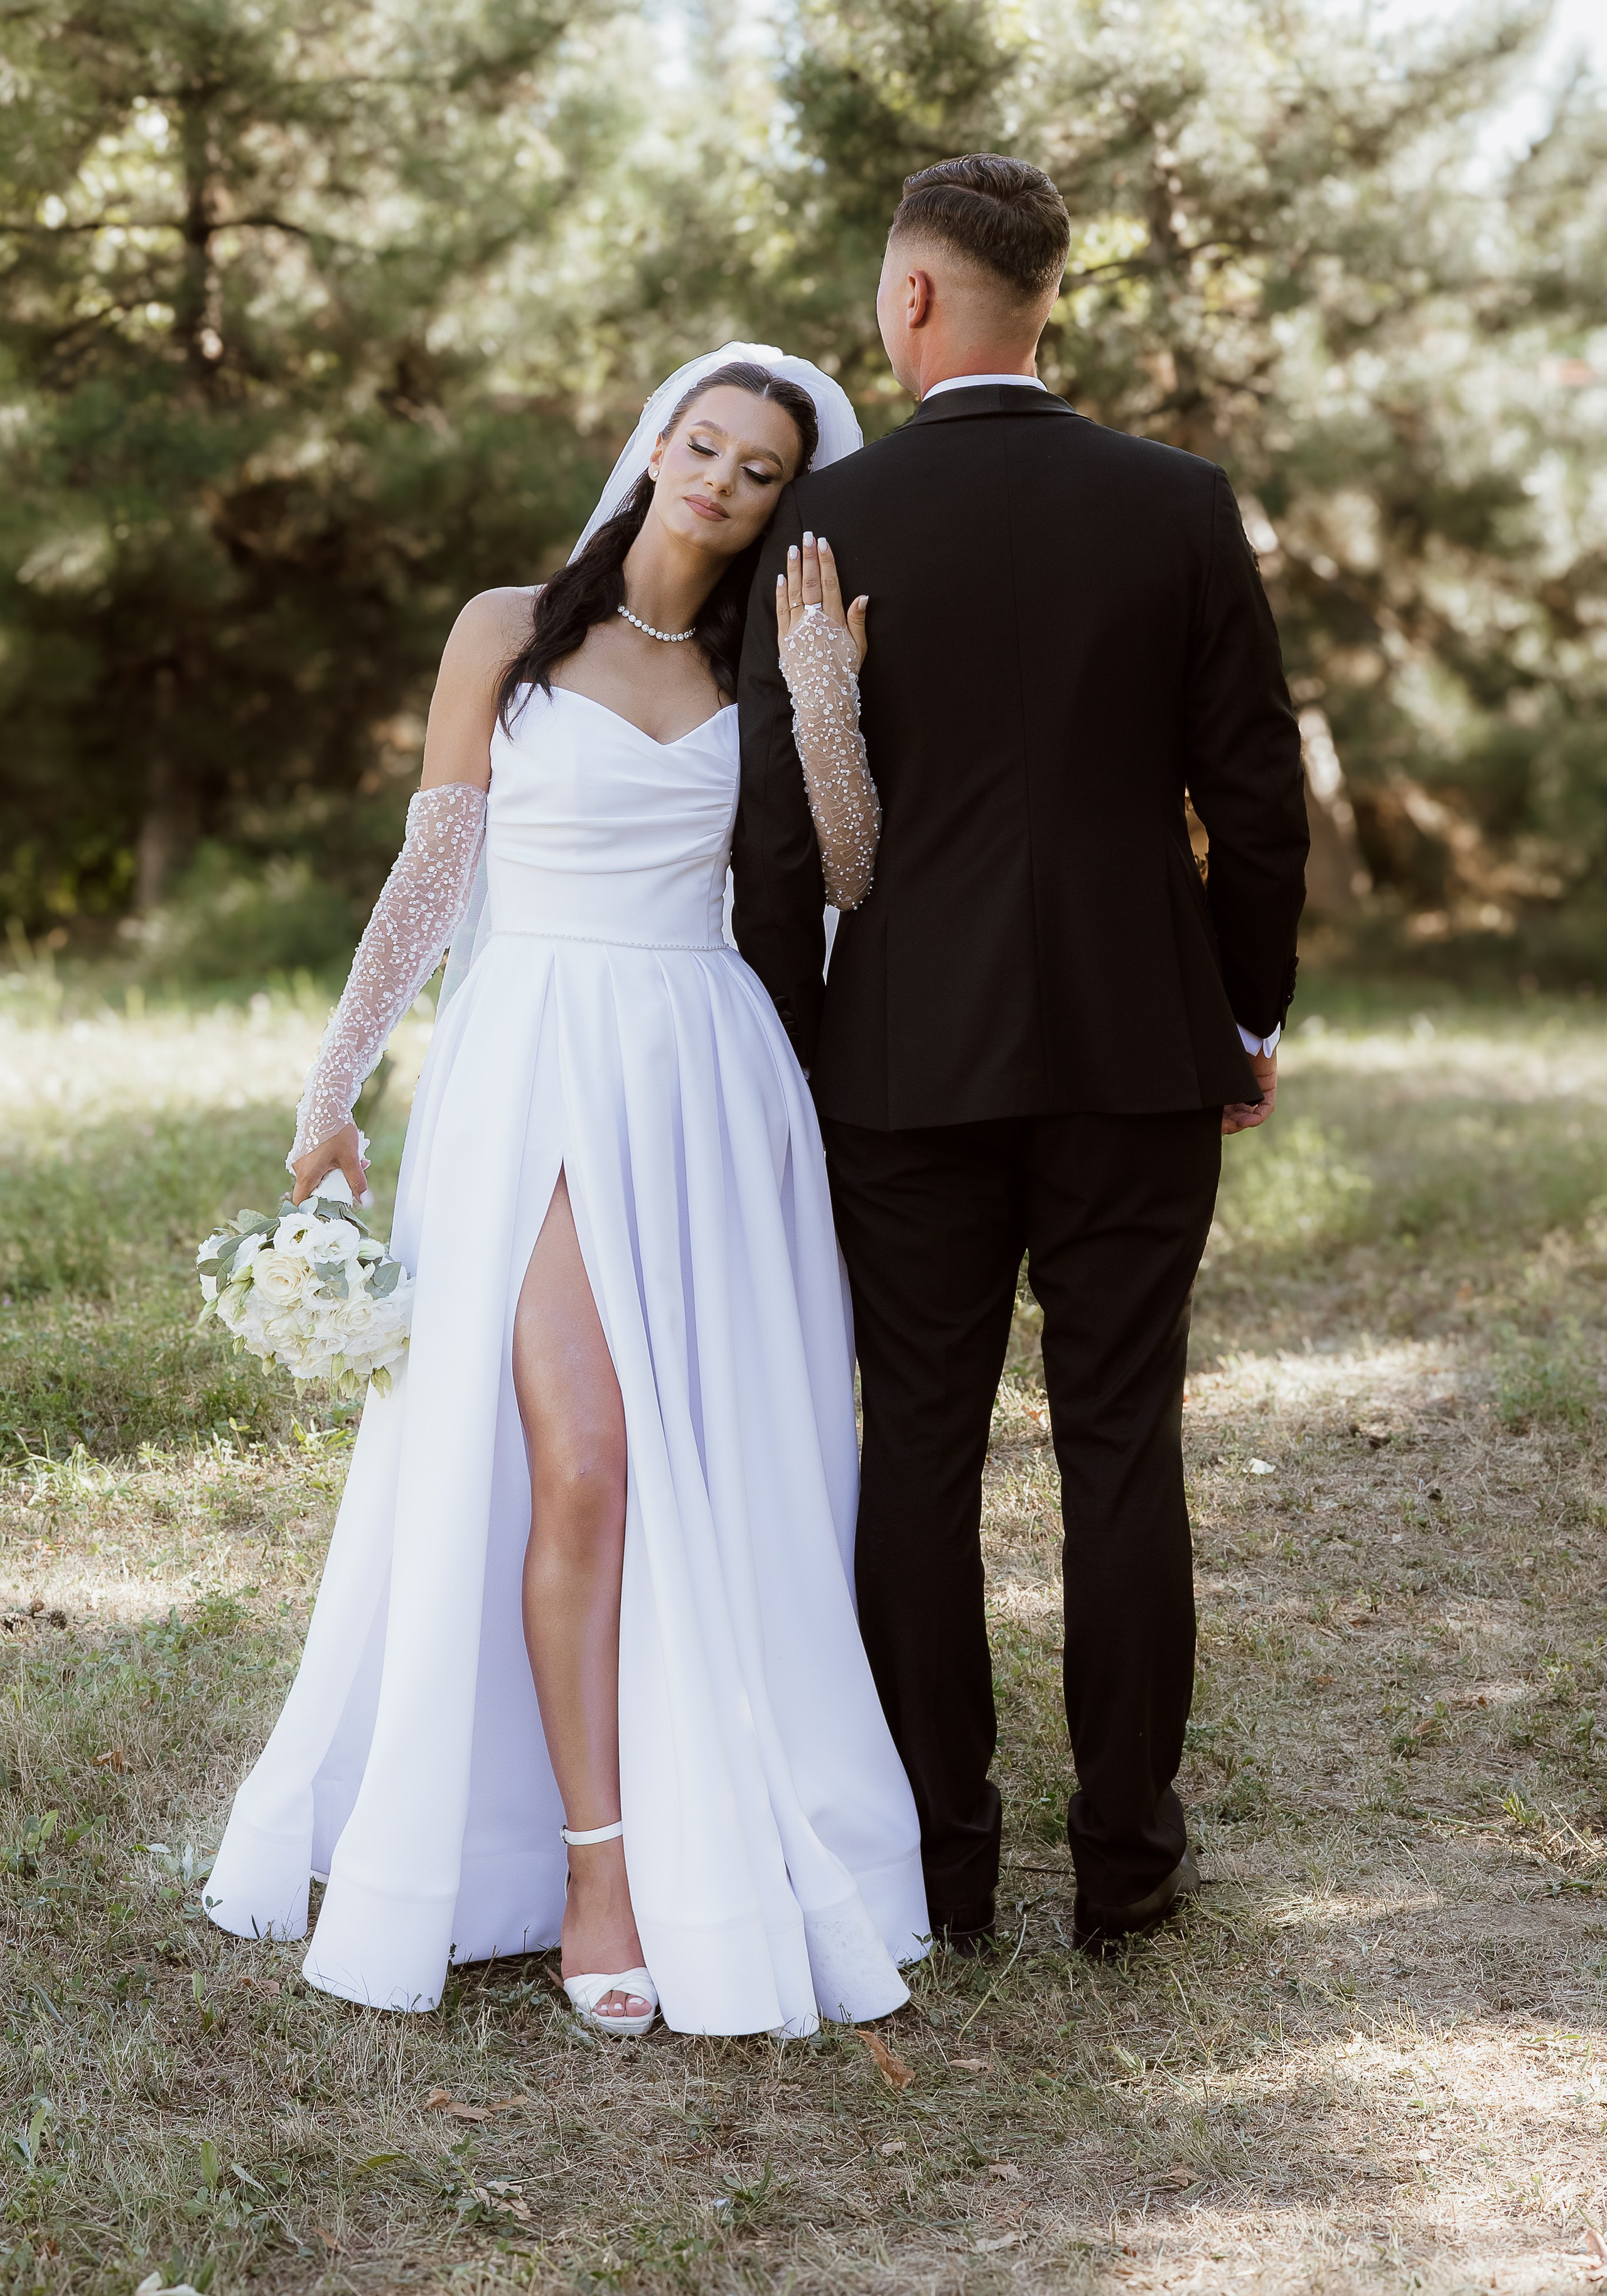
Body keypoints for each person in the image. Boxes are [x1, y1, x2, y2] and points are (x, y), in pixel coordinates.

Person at [203, 347, 929, 2037]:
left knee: (706, 1469)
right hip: (527, 1062)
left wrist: (826, 690)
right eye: (706, 446)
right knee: (581, 1460)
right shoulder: (505, 630)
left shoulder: (764, 666)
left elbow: (851, 870)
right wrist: (334, 1086)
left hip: (702, 1080)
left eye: (762, 472)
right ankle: (595, 1868)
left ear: (786, 505)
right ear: (657, 445)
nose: (724, 484)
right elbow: (432, 868)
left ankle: (692, 1824)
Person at [733, 158, 1310, 1956]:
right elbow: (1259, 799)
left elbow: (772, 848)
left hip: (903, 1072)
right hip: (1143, 1051)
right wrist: (1243, 1014)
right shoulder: (1178, 504)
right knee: (1123, 1446)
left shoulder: (826, 525)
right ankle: (1129, 1876)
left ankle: (943, 1874)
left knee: (916, 1451)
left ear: (914, 301)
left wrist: (809, 1057)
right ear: (1047, 299)